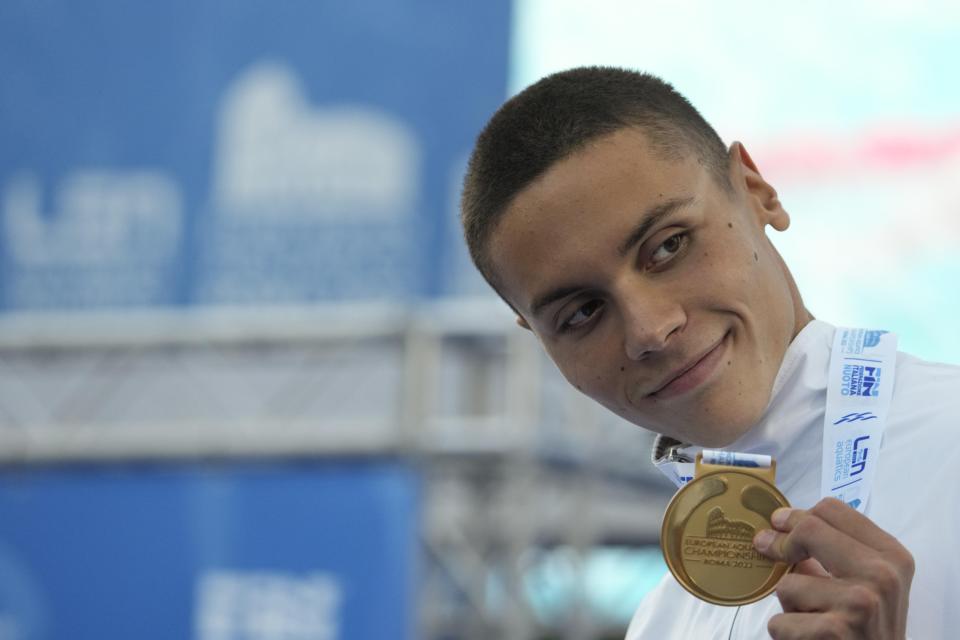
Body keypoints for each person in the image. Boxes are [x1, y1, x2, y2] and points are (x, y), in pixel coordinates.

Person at [459, 66, 960, 639]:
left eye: (668, 246)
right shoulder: (660, 623)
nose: (649, 329)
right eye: (581, 313)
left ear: (755, 190)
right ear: (541, 341)